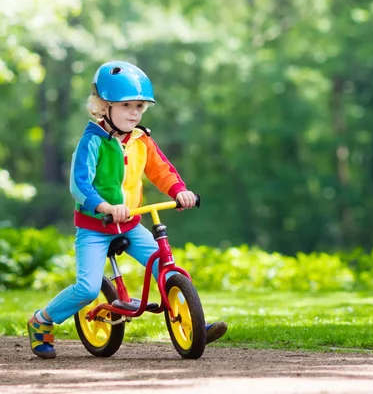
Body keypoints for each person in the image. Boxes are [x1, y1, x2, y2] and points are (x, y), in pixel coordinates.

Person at [27, 60, 227, 359]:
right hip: (95, 228)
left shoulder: (141, 140)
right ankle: (42, 321)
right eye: (127, 106)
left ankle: (193, 321)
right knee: (87, 289)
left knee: (167, 268)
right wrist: (104, 206)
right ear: (102, 106)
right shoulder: (92, 141)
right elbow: (79, 185)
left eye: (140, 107)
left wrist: (180, 191)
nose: (134, 113)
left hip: (131, 224)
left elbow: (162, 171)